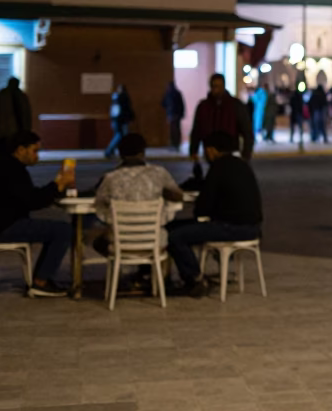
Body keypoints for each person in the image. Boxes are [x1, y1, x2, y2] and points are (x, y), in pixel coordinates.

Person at [0, 130, 75, 297]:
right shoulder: (10, 168)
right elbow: (32, 201)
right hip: (0, 227)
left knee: (54, 228)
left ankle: (42, 277)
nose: (37, 156)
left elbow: (28, 196)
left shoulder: (2, 164)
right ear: (20, 150)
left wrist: (56, 187)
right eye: (34, 151)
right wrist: (58, 185)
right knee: (62, 230)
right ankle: (41, 282)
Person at [165, 131, 262, 297]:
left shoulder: (218, 167)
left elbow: (203, 209)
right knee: (173, 228)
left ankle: (194, 279)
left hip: (232, 227)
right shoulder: (241, 164)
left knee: (174, 235)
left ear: (211, 150)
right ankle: (188, 274)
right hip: (252, 226)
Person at [90, 133, 184, 289]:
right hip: (155, 240)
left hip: (121, 242)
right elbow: (178, 196)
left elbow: (100, 208)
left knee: (99, 242)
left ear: (120, 154)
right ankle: (157, 280)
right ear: (143, 152)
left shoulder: (111, 178)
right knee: (165, 234)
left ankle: (124, 272)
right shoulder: (159, 173)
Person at [189, 74, 254, 163]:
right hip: (211, 151)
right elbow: (197, 129)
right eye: (213, 86)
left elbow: (247, 130)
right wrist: (193, 150)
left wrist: (246, 153)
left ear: (223, 86)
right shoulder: (204, 107)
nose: (216, 89)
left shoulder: (235, 105)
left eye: (218, 86)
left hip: (230, 150)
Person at [0, 77, 32, 151]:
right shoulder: (3, 95)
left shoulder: (21, 95)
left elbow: (27, 113)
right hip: (5, 128)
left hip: (18, 128)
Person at [103, 85, 136, 158]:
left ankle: (112, 151)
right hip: (123, 120)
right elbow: (127, 109)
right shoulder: (124, 97)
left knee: (118, 135)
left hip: (115, 120)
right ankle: (110, 150)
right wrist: (131, 118)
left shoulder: (115, 98)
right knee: (120, 136)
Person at [162, 81, 186, 150]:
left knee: (173, 130)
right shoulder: (177, 93)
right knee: (176, 130)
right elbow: (182, 105)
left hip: (172, 115)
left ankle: (174, 144)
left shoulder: (168, 94)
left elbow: (163, 103)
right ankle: (176, 144)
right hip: (176, 115)